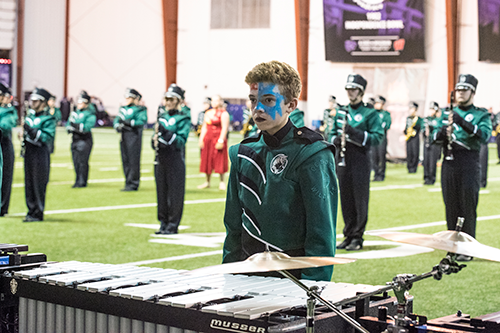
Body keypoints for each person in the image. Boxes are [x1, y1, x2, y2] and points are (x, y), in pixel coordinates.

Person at [222, 60, 338, 281]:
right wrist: (229, 276)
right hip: (247, 274)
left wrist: (312, 291)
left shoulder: (312, 153)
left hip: (294, 280)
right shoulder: (241, 153)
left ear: (291, 105)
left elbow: (321, 234)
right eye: (253, 100)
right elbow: (233, 227)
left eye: (268, 101)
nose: (258, 108)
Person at [432, 74, 492, 261]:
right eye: (458, 89)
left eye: (464, 90)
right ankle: (454, 247)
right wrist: (441, 134)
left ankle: (468, 248)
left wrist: (462, 123)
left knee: (467, 206)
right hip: (449, 162)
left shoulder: (481, 114)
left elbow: (484, 136)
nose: (460, 93)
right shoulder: (446, 113)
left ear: (472, 92)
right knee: (451, 205)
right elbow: (432, 137)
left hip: (469, 163)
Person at [332, 74, 383, 251]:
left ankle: (357, 236)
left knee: (359, 199)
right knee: (345, 198)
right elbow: (331, 132)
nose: (350, 93)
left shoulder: (370, 113)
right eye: (348, 89)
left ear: (361, 91)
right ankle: (348, 234)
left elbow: (378, 137)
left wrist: (354, 133)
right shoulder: (341, 111)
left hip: (360, 158)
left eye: (353, 89)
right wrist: (335, 140)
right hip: (343, 158)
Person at [152, 84, 191, 235]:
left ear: (178, 101)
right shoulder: (162, 117)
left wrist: (166, 134)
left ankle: (173, 224)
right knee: (161, 192)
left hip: (175, 159)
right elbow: (155, 137)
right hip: (161, 158)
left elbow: (181, 141)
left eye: (171, 99)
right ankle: (163, 222)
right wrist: (155, 141)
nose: (168, 102)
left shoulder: (184, 118)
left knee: (175, 193)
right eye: (166, 99)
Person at [22, 88, 56, 222]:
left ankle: (38, 211)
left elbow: (46, 137)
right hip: (29, 152)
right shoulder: (30, 116)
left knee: (38, 183)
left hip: (40, 153)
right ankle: (30, 210)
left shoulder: (49, 118)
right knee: (29, 182)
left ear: (43, 102)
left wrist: (31, 131)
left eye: (35, 101)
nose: (32, 103)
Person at [113, 88, 148, 191]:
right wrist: (117, 125)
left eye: (129, 97)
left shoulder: (140, 109)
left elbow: (141, 121)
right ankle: (127, 181)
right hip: (124, 135)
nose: (127, 99)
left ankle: (133, 183)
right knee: (125, 159)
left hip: (134, 135)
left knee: (133, 160)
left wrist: (129, 123)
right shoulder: (123, 109)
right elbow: (117, 119)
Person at [198, 94, 230, 190]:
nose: (214, 103)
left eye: (216, 101)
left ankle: (222, 182)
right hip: (208, 139)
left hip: (218, 138)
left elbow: (225, 128)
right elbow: (204, 127)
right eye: (212, 101)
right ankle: (207, 181)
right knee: (207, 160)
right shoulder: (208, 113)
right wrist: (201, 138)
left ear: (220, 102)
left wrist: (221, 140)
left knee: (220, 160)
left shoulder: (224, 114)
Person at [66, 90, 96, 188]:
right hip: (75, 139)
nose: (79, 104)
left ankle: (82, 180)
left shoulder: (90, 114)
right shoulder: (74, 113)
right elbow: (68, 124)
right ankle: (77, 179)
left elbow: (86, 127)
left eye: (81, 102)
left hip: (84, 139)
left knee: (83, 161)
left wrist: (76, 126)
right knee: (75, 161)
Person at [0, 84, 17, 216]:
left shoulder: (9, 111)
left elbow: (5, 127)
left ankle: (2, 207)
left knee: (5, 177)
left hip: (4, 146)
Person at [371, 95, 392, 181]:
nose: (376, 105)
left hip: (381, 138)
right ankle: (376, 174)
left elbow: (386, 125)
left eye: (378, 103)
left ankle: (381, 174)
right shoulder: (372, 114)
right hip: (373, 138)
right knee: (374, 156)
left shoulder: (386, 114)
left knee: (381, 157)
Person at [423, 102, 442, 185]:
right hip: (427, 142)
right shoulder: (426, 119)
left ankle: (431, 178)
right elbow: (423, 128)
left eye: (433, 109)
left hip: (435, 143)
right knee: (426, 160)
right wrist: (425, 132)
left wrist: (432, 129)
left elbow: (439, 129)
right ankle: (426, 177)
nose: (431, 111)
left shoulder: (438, 120)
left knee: (432, 161)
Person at [404, 102, 423, 173]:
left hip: (415, 137)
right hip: (409, 137)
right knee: (409, 152)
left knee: (415, 152)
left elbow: (419, 127)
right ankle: (409, 167)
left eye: (412, 109)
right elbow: (406, 127)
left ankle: (414, 168)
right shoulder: (408, 118)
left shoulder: (418, 119)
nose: (411, 110)